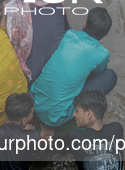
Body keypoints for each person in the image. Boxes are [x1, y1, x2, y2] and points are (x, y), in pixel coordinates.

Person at [30, 7, 117, 136]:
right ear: (107, 33)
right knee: (110, 76)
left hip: (33, 100)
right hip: (56, 117)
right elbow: (97, 74)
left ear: (85, 24)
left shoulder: (69, 35)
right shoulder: (103, 54)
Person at [7, 0, 68, 81]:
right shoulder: (58, 8)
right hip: (54, 73)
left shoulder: (14, 9)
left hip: (26, 75)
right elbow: (67, 33)